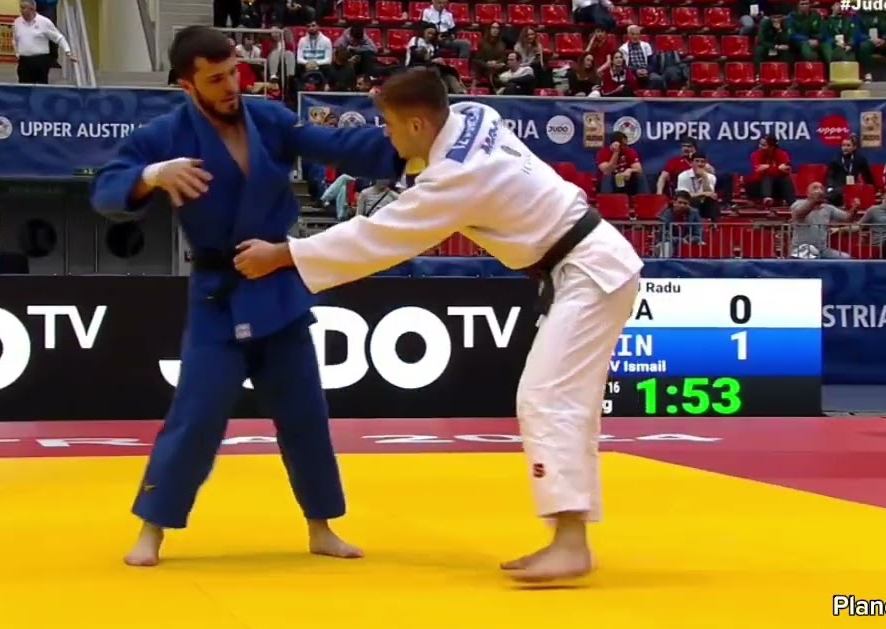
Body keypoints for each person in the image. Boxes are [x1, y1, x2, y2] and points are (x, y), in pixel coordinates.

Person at [233, 67, 645, 583]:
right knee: (564, 402)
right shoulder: (475, 114)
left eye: (389, 126)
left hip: (589, 272)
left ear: (417, 125)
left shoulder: (456, 177)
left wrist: (285, 254)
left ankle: (570, 543)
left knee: (546, 397)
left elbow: (380, 237)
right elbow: (429, 159)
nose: (386, 136)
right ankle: (569, 537)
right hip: (587, 264)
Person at [89, 26, 406, 567]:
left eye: (234, 72)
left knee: (305, 413)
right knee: (197, 416)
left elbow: (337, 146)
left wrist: (411, 136)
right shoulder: (167, 136)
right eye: (216, 79)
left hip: (278, 288)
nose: (232, 85)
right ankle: (152, 530)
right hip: (218, 293)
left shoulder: (268, 118)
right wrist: (151, 175)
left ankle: (321, 525)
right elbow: (106, 189)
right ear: (187, 85)